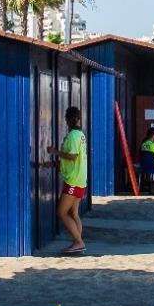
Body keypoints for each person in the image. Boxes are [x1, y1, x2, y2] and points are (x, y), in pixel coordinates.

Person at [56, 106, 87, 255]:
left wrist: (56, 152)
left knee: (61, 212)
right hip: (80, 180)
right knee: (74, 213)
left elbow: (73, 156)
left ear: (67, 120)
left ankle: (79, 242)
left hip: (73, 181)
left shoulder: (73, 135)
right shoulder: (81, 135)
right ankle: (77, 242)